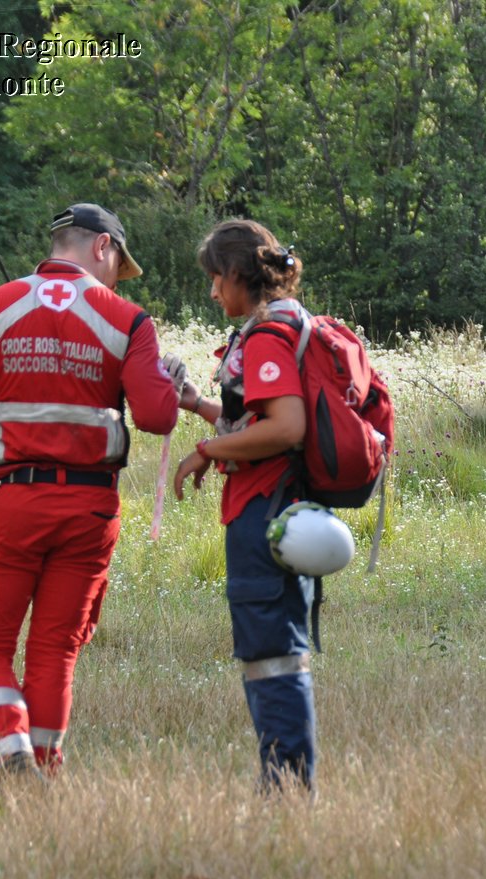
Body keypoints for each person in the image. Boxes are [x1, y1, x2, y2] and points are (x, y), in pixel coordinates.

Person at [0, 203, 191, 787]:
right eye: (118, 265)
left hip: (11, 505)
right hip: (90, 512)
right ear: (102, 247)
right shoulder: (128, 320)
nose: (116, 278)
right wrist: (170, 388)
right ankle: (39, 775)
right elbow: (153, 417)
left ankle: (7, 748)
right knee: (55, 652)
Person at [171, 219, 317, 793]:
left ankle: (285, 788)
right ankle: (281, 781)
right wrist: (199, 407)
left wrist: (205, 450)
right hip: (277, 507)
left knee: (273, 654)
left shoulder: (266, 336)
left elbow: (286, 428)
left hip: (266, 509)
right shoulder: (279, 326)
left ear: (239, 274)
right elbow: (255, 418)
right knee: (272, 651)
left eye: (215, 278)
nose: (212, 292)